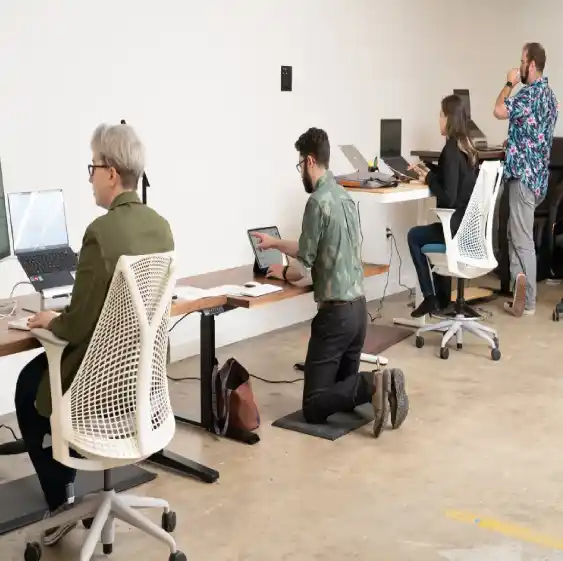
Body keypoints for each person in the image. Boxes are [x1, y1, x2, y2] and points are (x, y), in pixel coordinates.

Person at [15, 123, 174, 546]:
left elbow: (79, 324)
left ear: (110, 172)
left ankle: (62, 499)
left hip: (99, 387)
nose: (89, 177)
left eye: (92, 167)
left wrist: (53, 320)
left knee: (27, 388)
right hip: (142, 385)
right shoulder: (161, 227)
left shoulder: (100, 234)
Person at [251, 127, 409, 437]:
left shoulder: (317, 202)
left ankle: (375, 382)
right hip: (358, 313)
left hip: (335, 319)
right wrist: (275, 244)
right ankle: (379, 385)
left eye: (300, 166)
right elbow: (316, 246)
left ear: (310, 161)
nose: (300, 173)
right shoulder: (343, 196)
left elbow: (304, 265)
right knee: (340, 394)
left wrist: (281, 273)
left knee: (313, 406)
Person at [493, 42, 558, 317]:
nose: (519, 66)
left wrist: (509, 83)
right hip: (539, 178)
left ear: (531, 64)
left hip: (522, 177)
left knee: (520, 240)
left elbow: (498, 110)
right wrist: (516, 140)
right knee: (514, 234)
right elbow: (537, 132)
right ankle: (520, 292)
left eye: (521, 61)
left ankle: (528, 301)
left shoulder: (527, 95)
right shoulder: (550, 97)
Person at [407, 94, 479, 318]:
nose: (438, 119)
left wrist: (428, 178)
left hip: (454, 233)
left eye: (440, 114)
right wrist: (429, 169)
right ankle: (442, 300)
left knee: (414, 236)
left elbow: (448, 196)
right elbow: (452, 178)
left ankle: (430, 297)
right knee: (432, 230)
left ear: (449, 118)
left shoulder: (450, 149)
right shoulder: (467, 148)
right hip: (468, 232)